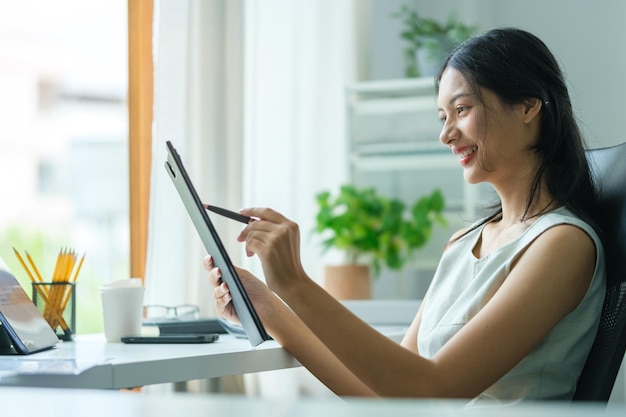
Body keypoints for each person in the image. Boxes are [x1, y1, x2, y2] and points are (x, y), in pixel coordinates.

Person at [204, 27, 606, 404]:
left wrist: (294, 282)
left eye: (462, 109)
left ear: (527, 106)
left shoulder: (562, 244)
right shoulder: (465, 242)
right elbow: (388, 396)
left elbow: (432, 389)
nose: (446, 134)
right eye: (442, 118)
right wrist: (269, 308)